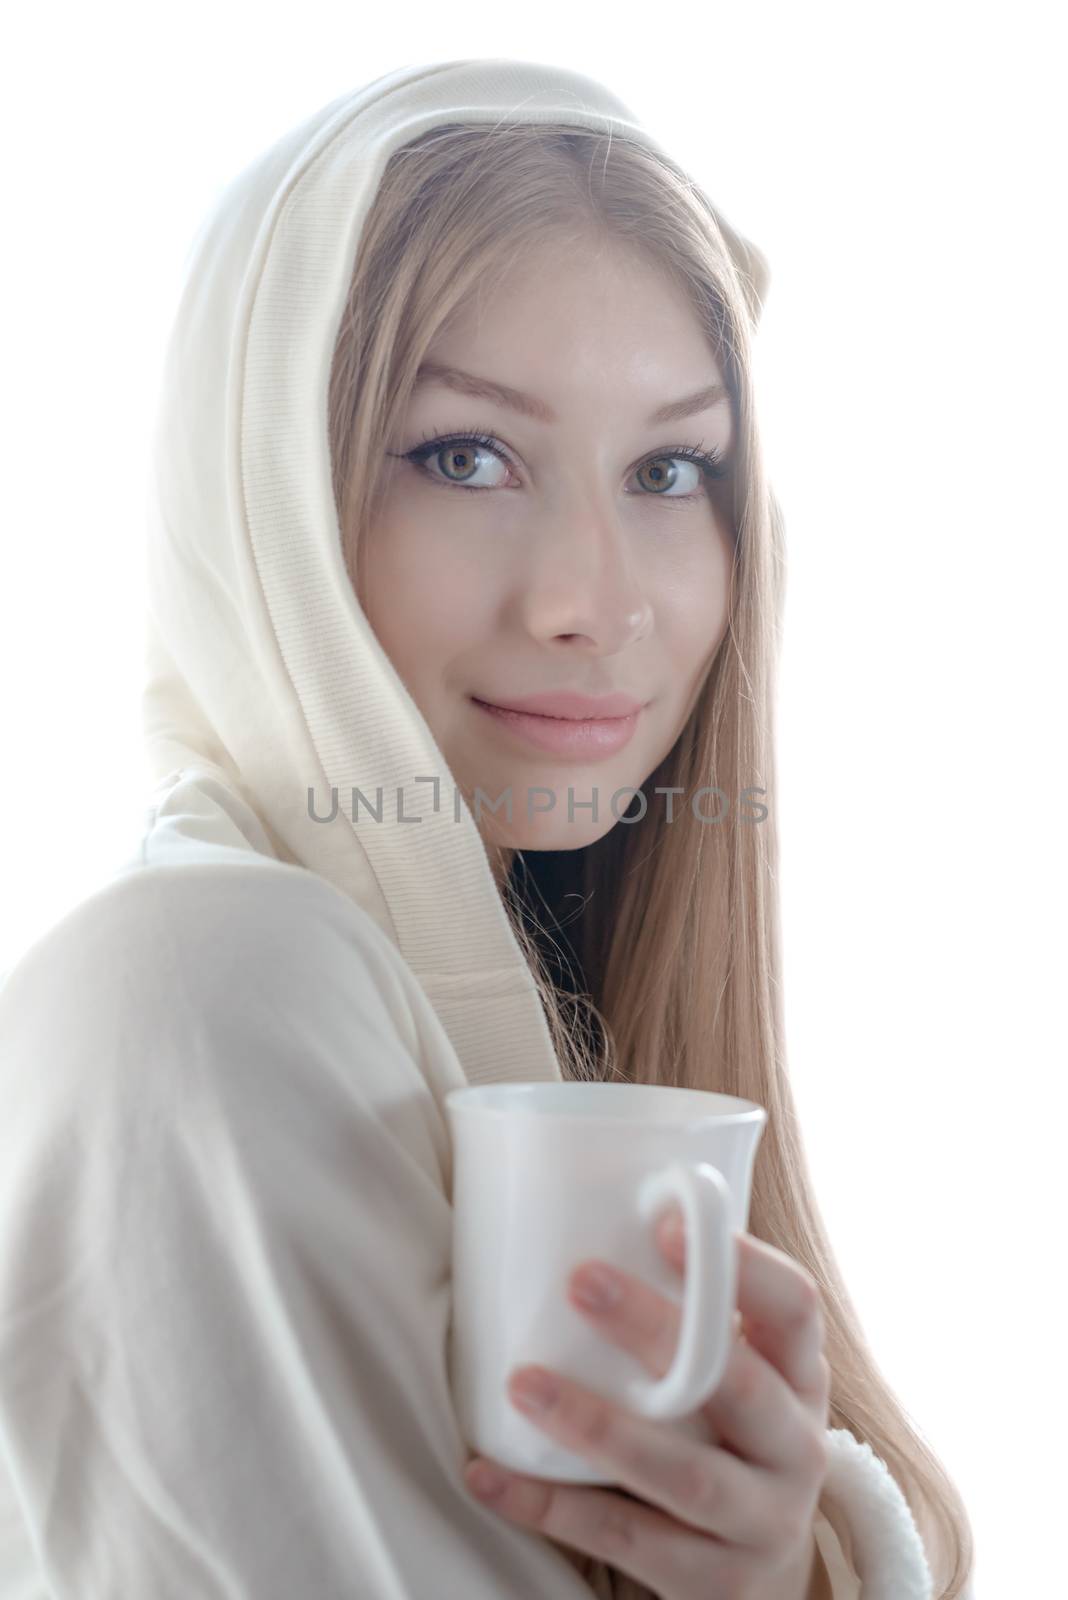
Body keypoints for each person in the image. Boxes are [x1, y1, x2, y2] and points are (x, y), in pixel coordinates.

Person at [0, 58, 976, 1599]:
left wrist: (773, 1567)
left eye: (672, 469)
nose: (598, 601)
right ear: (268, 498)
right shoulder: (201, 979)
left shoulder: (519, 1006)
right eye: (466, 455)